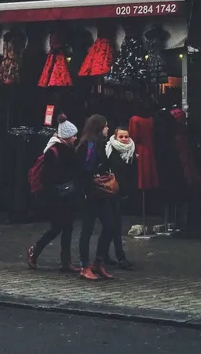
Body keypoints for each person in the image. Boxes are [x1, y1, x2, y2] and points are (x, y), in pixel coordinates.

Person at [27, 120, 80, 272]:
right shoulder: (54, 152)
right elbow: (47, 177)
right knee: (58, 227)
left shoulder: (68, 150)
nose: (75, 138)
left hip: (66, 194)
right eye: (73, 136)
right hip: (55, 196)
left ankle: (66, 261)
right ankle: (35, 250)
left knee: (67, 227)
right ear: (67, 137)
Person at [75, 114, 116, 281]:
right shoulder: (89, 145)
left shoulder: (99, 144)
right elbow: (85, 169)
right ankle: (85, 266)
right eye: (106, 126)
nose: (108, 129)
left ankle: (98, 262)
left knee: (110, 225)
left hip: (98, 193)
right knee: (87, 229)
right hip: (89, 193)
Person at [105, 126, 137, 269]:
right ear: (115, 137)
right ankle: (120, 257)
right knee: (114, 225)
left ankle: (104, 255)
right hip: (109, 192)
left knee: (112, 225)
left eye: (126, 137)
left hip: (121, 192)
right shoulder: (110, 150)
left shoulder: (131, 151)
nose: (124, 139)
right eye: (121, 137)